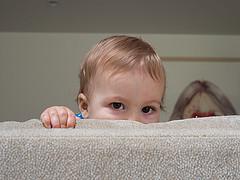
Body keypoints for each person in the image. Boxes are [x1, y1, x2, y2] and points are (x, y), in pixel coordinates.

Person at [40, 35, 166, 128]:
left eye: (147, 109)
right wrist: (57, 116)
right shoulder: (75, 124)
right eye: (117, 105)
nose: (133, 122)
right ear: (85, 106)